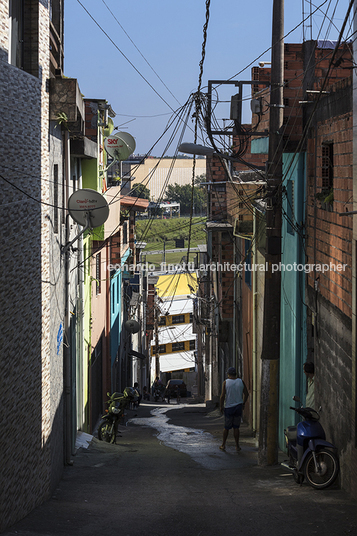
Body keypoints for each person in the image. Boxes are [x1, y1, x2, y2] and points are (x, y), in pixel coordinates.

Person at [219, 367, 249, 452]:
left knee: (226, 427)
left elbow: (222, 396)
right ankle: (237, 446)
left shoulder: (226, 382)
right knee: (236, 427)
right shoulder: (241, 381)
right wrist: (243, 403)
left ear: (228, 374)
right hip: (238, 407)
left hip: (229, 407)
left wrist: (221, 406)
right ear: (236, 374)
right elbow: (246, 394)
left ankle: (223, 445)